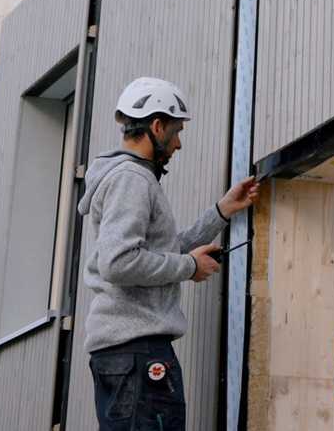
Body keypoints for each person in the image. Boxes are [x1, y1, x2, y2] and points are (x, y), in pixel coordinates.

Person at [78, 76, 259, 431]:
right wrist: (189, 267)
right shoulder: (132, 179)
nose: (178, 144)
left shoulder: (128, 177)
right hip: (137, 353)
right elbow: (118, 262)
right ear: (156, 126)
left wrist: (221, 211)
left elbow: (161, 251)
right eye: (175, 132)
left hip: (127, 354)